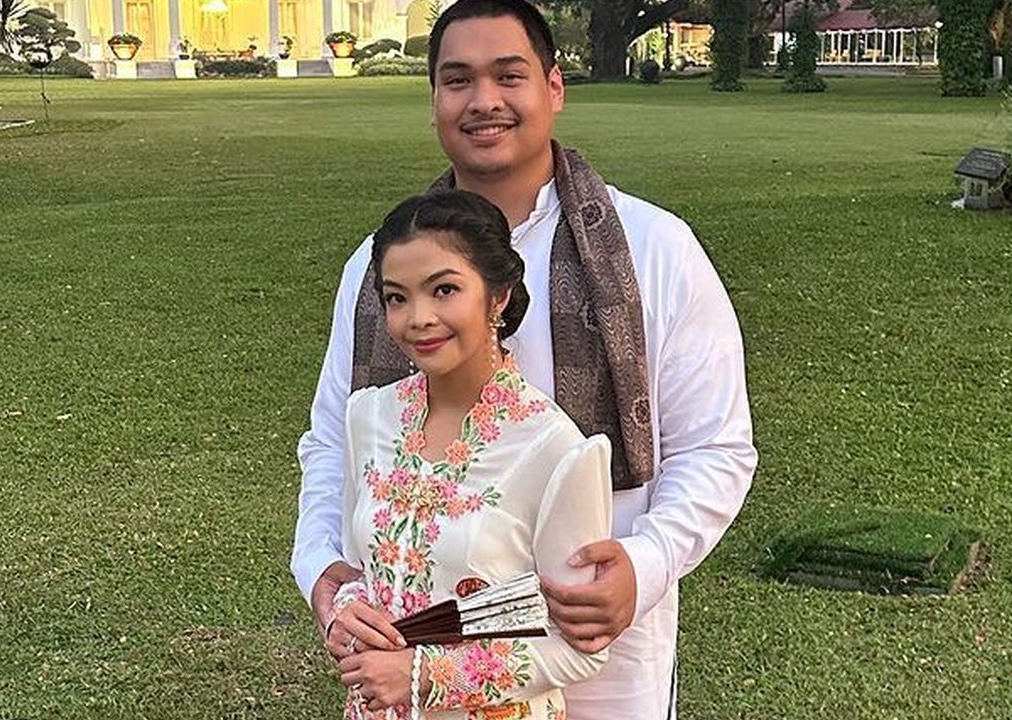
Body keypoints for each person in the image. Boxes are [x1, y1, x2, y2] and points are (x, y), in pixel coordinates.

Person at [293, 0, 758, 717]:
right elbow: (333, 439)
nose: (484, 100)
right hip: (410, 647)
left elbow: (716, 446)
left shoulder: (654, 250)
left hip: (597, 627)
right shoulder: (379, 266)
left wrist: (646, 562)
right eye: (458, 80)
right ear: (433, 99)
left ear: (554, 87)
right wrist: (323, 564)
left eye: (509, 75)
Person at [327, 189, 612, 718]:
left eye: (444, 290)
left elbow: (580, 648)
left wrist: (426, 675)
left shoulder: (554, 449)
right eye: (397, 298)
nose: (418, 318)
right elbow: (360, 568)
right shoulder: (368, 417)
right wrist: (347, 614)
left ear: (498, 296)